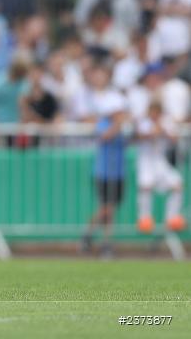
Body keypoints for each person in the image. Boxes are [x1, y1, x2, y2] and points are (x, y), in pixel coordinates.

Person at [80, 66, 128, 259]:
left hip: (118, 170)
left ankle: (106, 242)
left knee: (111, 209)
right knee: (107, 207)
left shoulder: (119, 125)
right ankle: (89, 234)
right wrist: (119, 124)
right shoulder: (104, 124)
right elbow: (106, 136)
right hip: (104, 170)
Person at [134, 100, 186, 234]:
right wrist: (154, 132)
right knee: (146, 186)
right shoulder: (143, 122)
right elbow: (140, 136)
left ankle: (172, 217)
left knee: (177, 184)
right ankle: (144, 218)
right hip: (146, 160)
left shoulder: (165, 122)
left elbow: (174, 138)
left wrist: (164, 131)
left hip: (160, 161)